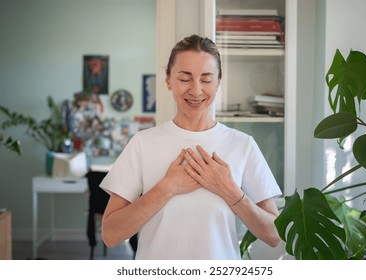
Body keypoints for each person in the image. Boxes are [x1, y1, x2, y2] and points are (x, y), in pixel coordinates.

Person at [100, 34, 282, 260]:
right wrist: (167, 187)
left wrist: (229, 190)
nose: (196, 91)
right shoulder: (142, 144)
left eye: (206, 79)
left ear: (218, 82)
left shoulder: (242, 145)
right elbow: (110, 234)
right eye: (185, 79)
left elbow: (274, 234)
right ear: (168, 80)